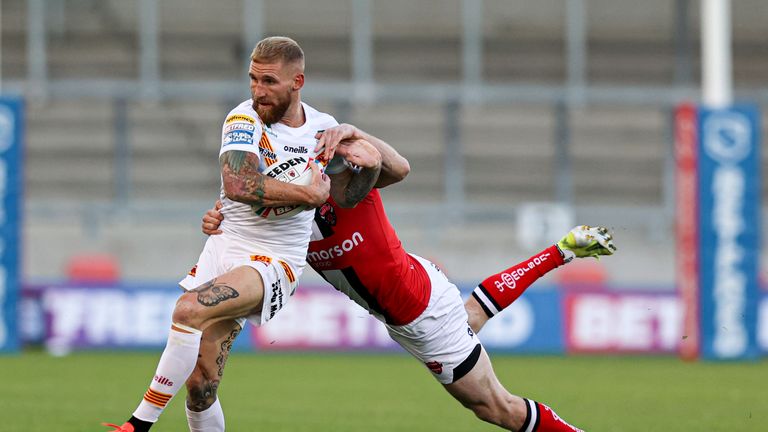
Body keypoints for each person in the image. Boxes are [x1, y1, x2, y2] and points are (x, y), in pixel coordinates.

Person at [201, 125, 617, 431]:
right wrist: (218, 219)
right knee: (469, 317)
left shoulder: (354, 188)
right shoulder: (288, 221)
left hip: (419, 315)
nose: (312, 177)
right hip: (421, 285)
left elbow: (397, 167)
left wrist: (352, 131)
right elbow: (246, 212)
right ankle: (562, 250)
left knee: (497, 408)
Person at [103, 36, 357, 432]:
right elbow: (239, 184)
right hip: (224, 247)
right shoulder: (242, 118)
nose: (258, 91)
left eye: (269, 81)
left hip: (273, 261)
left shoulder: (326, 130)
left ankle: (137, 425)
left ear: (297, 82)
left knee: (188, 309)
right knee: (201, 385)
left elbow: (381, 178)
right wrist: (307, 194)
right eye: (253, 79)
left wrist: (368, 152)